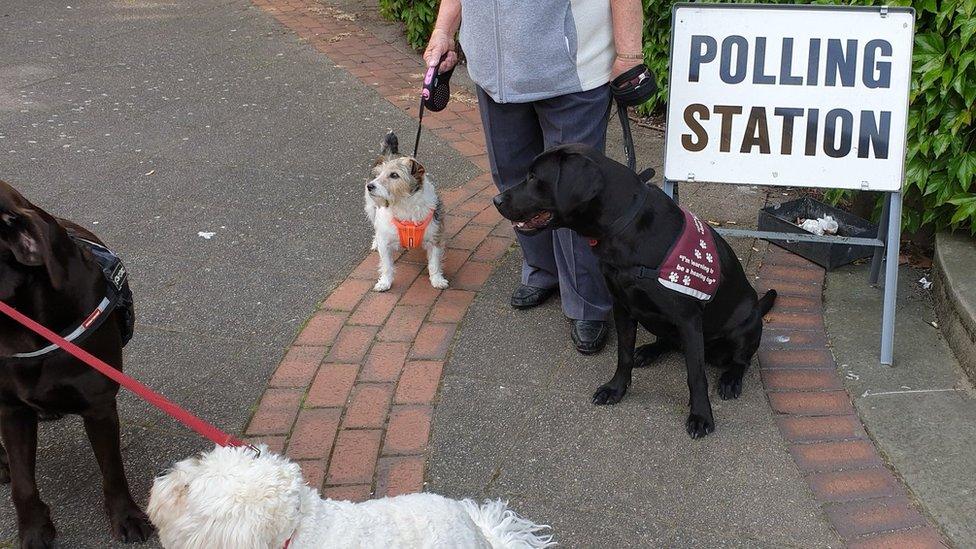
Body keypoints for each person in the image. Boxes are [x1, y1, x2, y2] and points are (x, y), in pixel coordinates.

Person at [424, 0, 644, 354]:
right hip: (495, 77)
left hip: (572, 75)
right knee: (512, 181)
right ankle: (542, 270)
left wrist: (630, 55)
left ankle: (587, 302)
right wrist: (443, 30)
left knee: (575, 196)